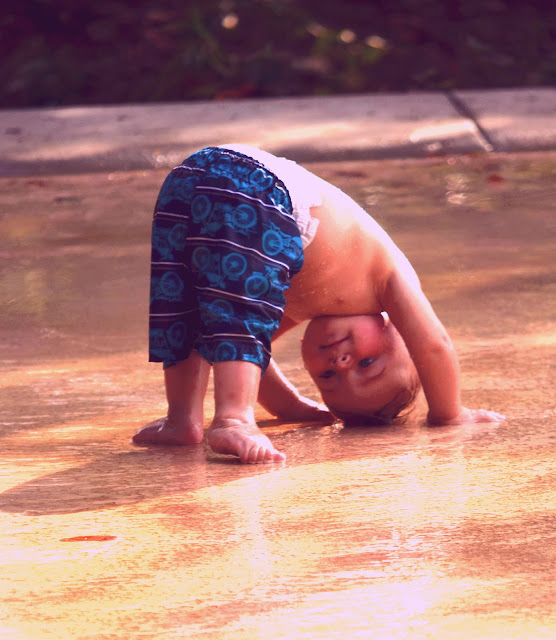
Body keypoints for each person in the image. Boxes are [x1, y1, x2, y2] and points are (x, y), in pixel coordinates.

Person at [133, 145, 503, 463]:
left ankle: (182, 420)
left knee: (190, 311)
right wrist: (450, 414)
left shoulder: (306, 299)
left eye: (328, 377)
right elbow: (434, 345)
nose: (341, 363)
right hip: (257, 188)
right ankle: (233, 419)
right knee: (238, 317)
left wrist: (290, 407)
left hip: (190, 181)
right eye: (368, 364)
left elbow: (244, 348)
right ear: (398, 332)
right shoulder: (390, 278)